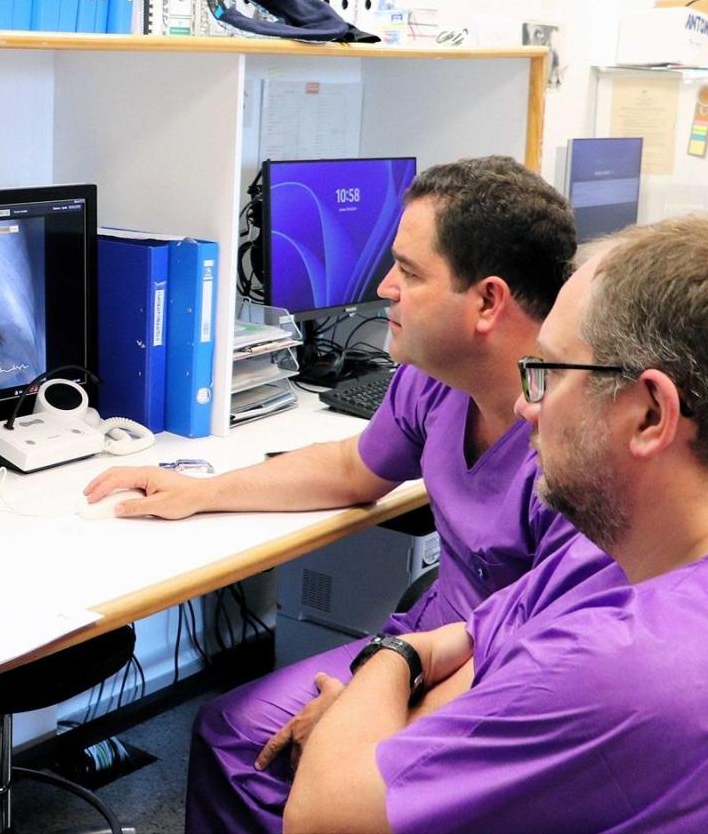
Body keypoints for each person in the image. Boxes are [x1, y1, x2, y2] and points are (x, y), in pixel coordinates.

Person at [83, 156, 579, 833]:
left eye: (409, 270)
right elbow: (352, 469)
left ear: (488, 302)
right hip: (416, 652)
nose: (384, 287)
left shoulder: (577, 446)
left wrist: (367, 714)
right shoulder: (437, 377)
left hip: (503, 698)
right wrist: (201, 491)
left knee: (328, 778)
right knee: (232, 737)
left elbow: (546, 658)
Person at [286, 216, 708, 833]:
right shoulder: (698, 556)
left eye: (551, 372)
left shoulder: (619, 663)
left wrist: (387, 657)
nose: (525, 404)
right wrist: (414, 652)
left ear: (650, 414)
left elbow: (321, 817)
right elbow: (473, 635)